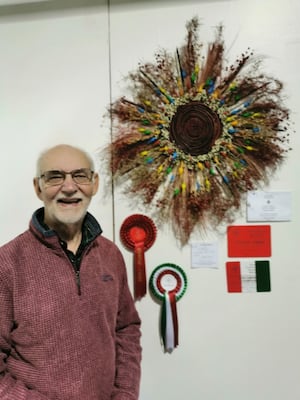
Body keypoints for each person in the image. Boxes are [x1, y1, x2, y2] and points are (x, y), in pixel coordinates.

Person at [0, 144, 142, 400]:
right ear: (37, 187)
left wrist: (126, 393)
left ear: (94, 183)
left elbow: (126, 329)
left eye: (80, 175)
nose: (68, 187)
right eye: (55, 176)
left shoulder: (110, 255)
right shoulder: (7, 263)